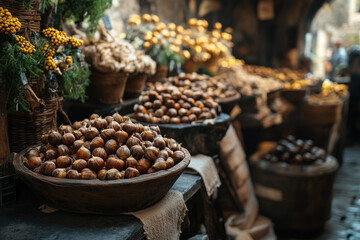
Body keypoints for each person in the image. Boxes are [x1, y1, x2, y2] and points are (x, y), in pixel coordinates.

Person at [347, 45, 360, 144]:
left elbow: (355, 70)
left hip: (355, 89)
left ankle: (352, 137)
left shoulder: (356, 59)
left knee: (353, 114)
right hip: (354, 89)